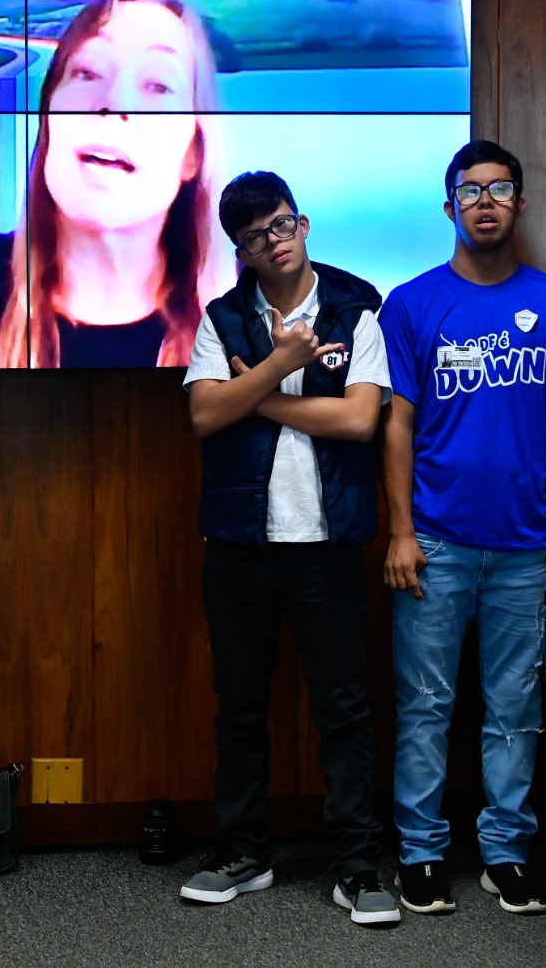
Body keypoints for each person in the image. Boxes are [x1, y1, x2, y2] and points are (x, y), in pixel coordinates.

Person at [179, 171, 398, 925]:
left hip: (328, 544)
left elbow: (361, 422)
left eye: (277, 227)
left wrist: (259, 396)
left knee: (343, 710)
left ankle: (357, 867)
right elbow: (206, 414)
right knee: (239, 708)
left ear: (301, 224)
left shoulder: (354, 305)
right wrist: (279, 365)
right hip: (238, 544)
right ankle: (242, 852)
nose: (269, 245)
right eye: (250, 239)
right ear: (237, 251)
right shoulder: (222, 315)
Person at [379, 140, 546, 917]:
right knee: (426, 703)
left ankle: (505, 852)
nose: (486, 202)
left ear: (520, 204)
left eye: (501, 190)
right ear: (450, 208)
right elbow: (397, 425)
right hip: (435, 540)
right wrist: (400, 531)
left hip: (528, 545)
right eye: (471, 192)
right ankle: (423, 852)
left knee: (515, 707)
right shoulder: (411, 304)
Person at [0, 0, 232, 369]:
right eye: (88, 71)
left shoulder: (253, 312)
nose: (114, 101)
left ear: (193, 154)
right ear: (48, 119)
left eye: (157, 85)